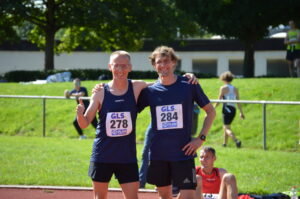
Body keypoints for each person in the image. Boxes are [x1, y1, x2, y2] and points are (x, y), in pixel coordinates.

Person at [77, 50, 198, 199]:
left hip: (127, 157)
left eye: (124, 66)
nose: (120, 70)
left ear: (130, 67)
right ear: (110, 66)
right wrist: (79, 113)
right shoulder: (100, 92)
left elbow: (163, 81)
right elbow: (84, 123)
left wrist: (186, 78)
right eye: (116, 66)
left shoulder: (137, 87)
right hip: (102, 155)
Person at [137, 46, 216, 199]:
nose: (163, 65)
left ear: (173, 62)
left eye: (166, 61)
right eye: (159, 62)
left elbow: (211, 112)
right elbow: (129, 108)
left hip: (183, 153)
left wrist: (200, 139)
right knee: (164, 196)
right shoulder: (150, 91)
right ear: (154, 65)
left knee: (188, 196)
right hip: (159, 154)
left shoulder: (188, 85)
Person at [139, 104, 200, 191]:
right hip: (156, 124)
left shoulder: (186, 91)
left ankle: (175, 184)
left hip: (177, 125)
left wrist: (201, 138)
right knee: (146, 152)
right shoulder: (152, 90)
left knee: (176, 152)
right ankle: (141, 182)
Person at [214, 71, 245, 148]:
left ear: (223, 79)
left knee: (226, 128)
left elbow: (219, 100)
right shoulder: (235, 89)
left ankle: (236, 140)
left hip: (226, 109)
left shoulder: (223, 88)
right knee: (227, 126)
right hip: (233, 109)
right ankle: (224, 143)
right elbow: (238, 102)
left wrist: (212, 108)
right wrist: (241, 112)